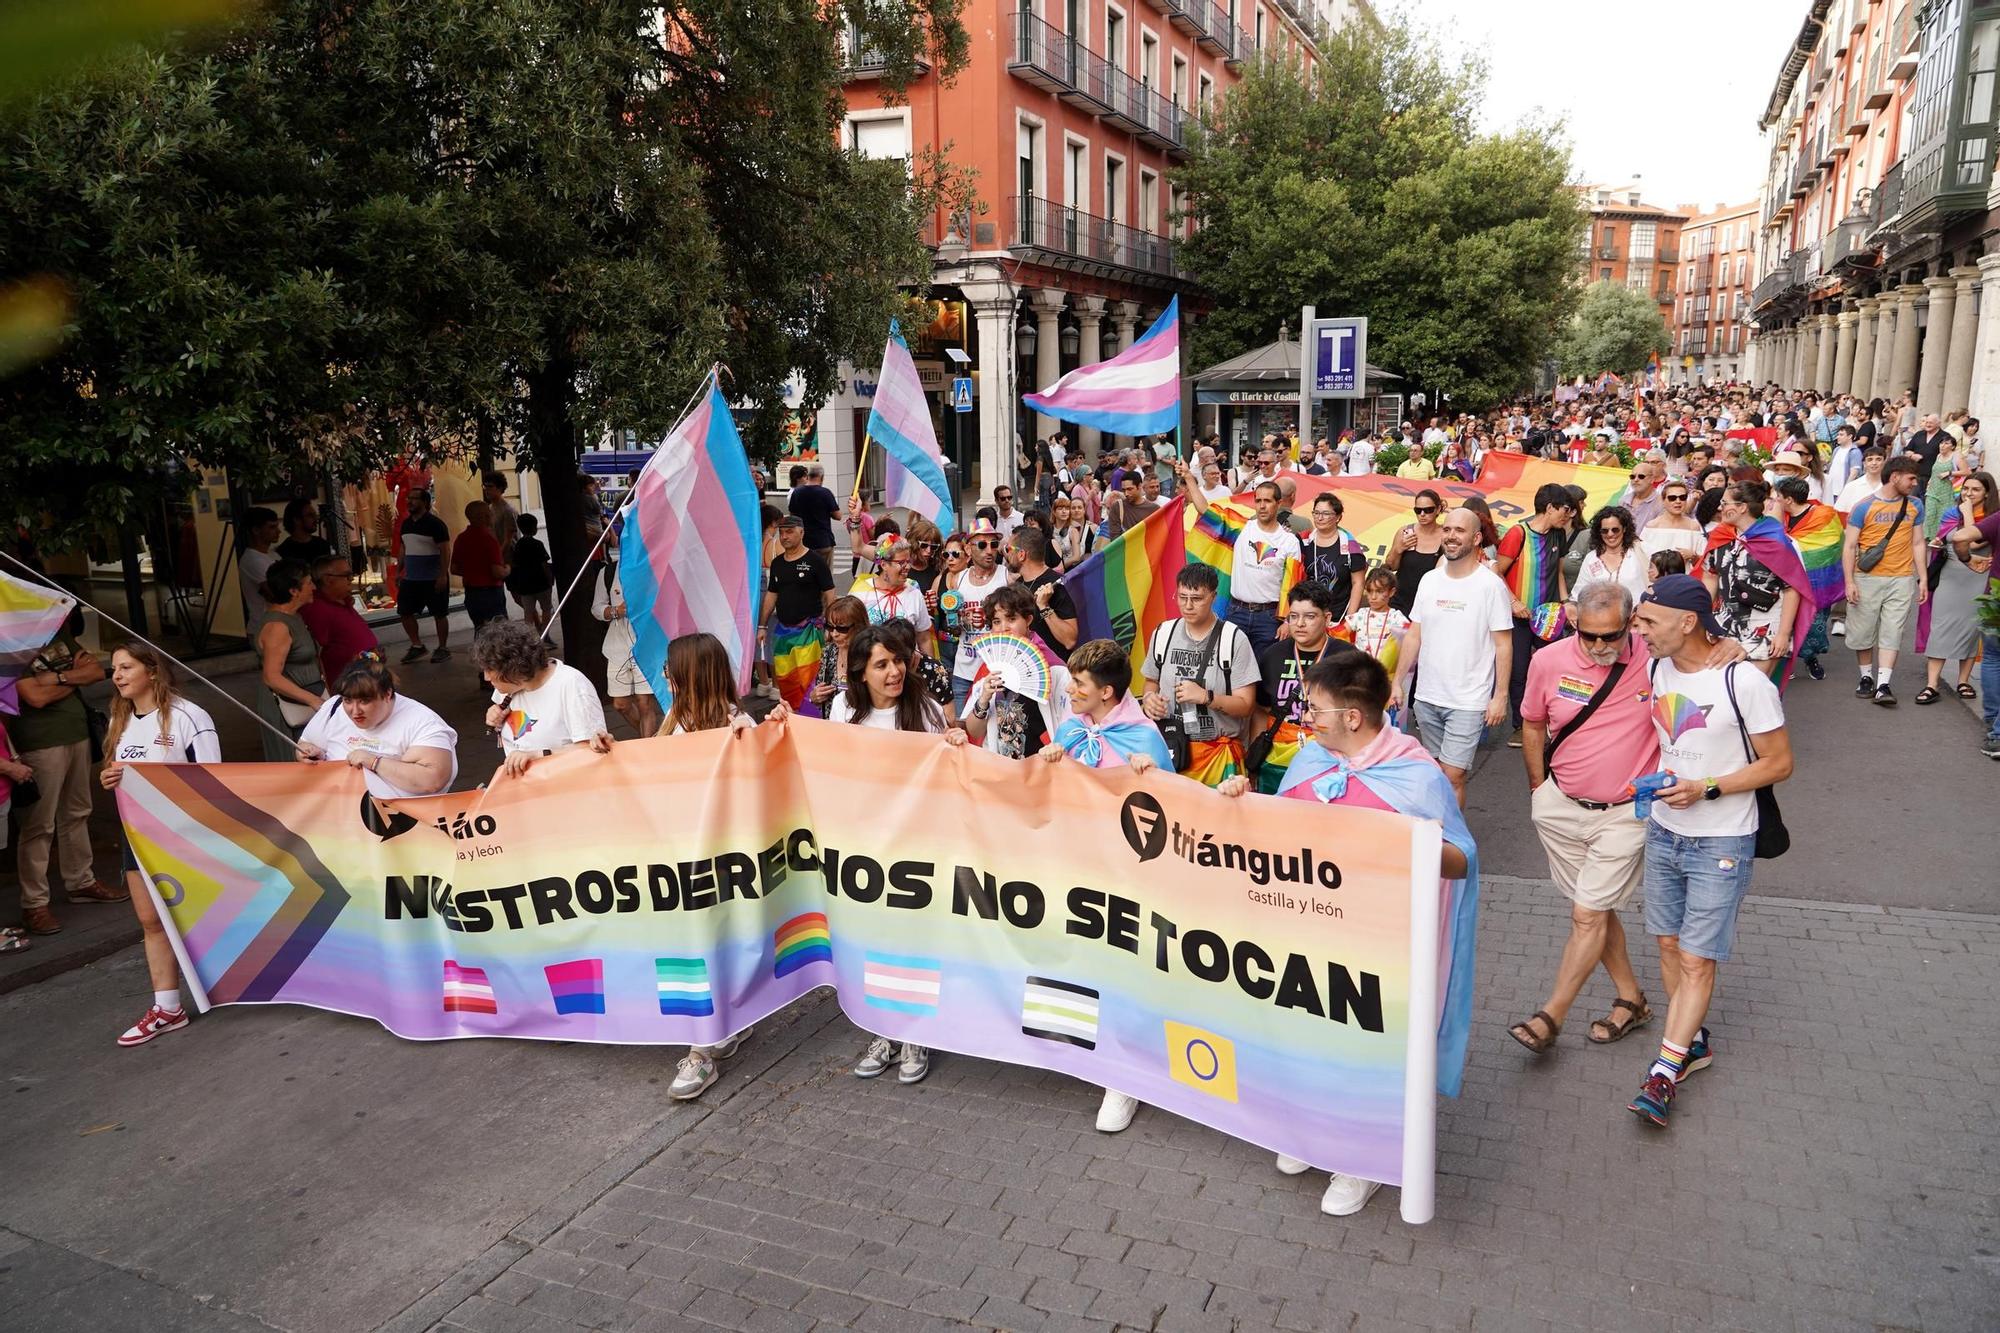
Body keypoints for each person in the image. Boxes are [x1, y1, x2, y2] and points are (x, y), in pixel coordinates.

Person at [1219, 652, 1476, 1216]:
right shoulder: (1312, 758)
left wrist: (1410, 843)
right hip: (1310, 936)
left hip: (1381, 948)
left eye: (1314, 707)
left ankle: (1360, 1162)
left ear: (1353, 717)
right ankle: (1311, 1133)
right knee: (1311, 1037)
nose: (1305, 716)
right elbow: (1277, 832)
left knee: (1368, 1049)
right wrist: (1243, 803)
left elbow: (1460, 860)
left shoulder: (1416, 776)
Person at [1510, 583, 1735, 1057]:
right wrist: (1539, 787)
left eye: (1610, 635)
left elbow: (1706, 653)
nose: (1598, 646)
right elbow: (1532, 722)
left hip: (1624, 815)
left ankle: (1551, 1015)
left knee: (1587, 912)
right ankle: (1631, 999)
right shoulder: (1548, 661)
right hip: (1560, 808)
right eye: (1588, 635)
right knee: (1596, 908)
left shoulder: (1656, 662)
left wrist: (1731, 645)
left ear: (1632, 623)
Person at [1626, 575, 1794, 1129]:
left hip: (1722, 836)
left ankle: (1665, 1071)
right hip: (1664, 828)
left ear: (1687, 622)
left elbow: (1779, 763)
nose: (1638, 629)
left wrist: (1708, 787)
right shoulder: (1655, 666)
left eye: (1649, 621)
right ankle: (1691, 1041)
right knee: (1670, 945)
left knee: (1697, 956)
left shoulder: (1743, 682)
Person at [832, 622, 968, 1086]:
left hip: (916, 847)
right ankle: (882, 1030)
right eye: (881, 664)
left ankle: (916, 1033)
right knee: (875, 942)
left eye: (897, 662)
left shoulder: (925, 708)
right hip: (865, 849)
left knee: (914, 940)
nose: (893, 672)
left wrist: (954, 741)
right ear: (861, 672)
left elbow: (949, 770)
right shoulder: (843, 709)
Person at [650, 632, 760, 1097]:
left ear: (690, 675)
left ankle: (700, 1054)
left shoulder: (741, 727)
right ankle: (724, 1027)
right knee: (695, 948)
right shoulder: (675, 720)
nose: (663, 676)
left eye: (670, 669)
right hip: (680, 856)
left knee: (703, 948)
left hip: (721, 860)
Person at [96, 644, 222, 1045]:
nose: (116, 675)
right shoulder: (119, 718)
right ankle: (168, 1007)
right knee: (151, 921)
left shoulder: (189, 716)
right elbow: (116, 771)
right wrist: (108, 779)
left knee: (205, 915)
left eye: (126, 666)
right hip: (136, 832)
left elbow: (214, 779)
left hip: (182, 832)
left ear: (152, 670)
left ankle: (244, 983)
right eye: (113, 669)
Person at [1392, 508, 1512, 807]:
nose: (1450, 536)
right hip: (1428, 696)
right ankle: (1433, 834)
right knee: (1434, 773)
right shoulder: (1430, 580)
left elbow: (1503, 645)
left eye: (1459, 531)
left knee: (1453, 775)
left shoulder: (1490, 585)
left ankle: (1452, 841)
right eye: (1447, 530)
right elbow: (1414, 635)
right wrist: (1397, 683)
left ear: (1476, 538)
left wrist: (1500, 697)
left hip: (1468, 701)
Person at [11, 622, 120, 936]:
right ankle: (34, 903)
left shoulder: (56, 634)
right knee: (38, 824)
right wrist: (73, 678)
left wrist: (55, 678)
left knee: (77, 812)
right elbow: (34, 697)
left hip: (76, 733)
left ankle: (81, 882)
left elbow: (96, 672)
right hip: (39, 741)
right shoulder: (10, 643)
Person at [1141, 563, 1261, 787]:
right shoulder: (1163, 633)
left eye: (1197, 598)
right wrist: (1149, 701)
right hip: (1171, 751)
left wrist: (1207, 697)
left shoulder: (1233, 639)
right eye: (1182, 597)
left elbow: (1246, 706)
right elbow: (1150, 682)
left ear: (1214, 596)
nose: (1188, 606)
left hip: (1217, 757)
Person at [295, 651, 458, 802]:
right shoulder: (334, 707)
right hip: (340, 816)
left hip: (403, 824)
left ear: (387, 694)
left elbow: (433, 779)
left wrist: (374, 762)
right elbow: (304, 744)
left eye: (365, 701)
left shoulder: (422, 721)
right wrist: (308, 752)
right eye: (348, 700)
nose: (355, 711)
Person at [1249, 582, 1359, 794]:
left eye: (1309, 616)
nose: (1299, 624)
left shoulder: (1348, 658)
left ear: (1327, 619)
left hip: (1328, 760)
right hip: (1276, 760)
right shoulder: (1272, 655)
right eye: (1293, 616)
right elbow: (1261, 711)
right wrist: (1255, 761)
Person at [475, 619, 614, 777]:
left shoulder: (571, 685)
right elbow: (503, 716)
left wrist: (538, 755)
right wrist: (494, 717)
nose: (486, 677)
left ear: (515, 669)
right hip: (525, 787)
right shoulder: (506, 687)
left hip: (565, 786)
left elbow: (591, 751)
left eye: (490, 669)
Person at [1842, 456, 1928, 705]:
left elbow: (1918, 542)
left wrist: (1922, 578)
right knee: (1863, 631)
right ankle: (1866, 677)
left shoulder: (1915, 506)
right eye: (1911, 478)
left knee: (1893, 631)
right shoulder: (1863, 506)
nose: (1914, 483)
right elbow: (1849, 547)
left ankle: (1883, 684)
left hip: (1901, 578)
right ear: (1895, 477)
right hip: (1866, 577)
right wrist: (1849, 582)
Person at [1493, 484, 1575, 744]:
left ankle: (1553, 722)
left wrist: (1566, 602)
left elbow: (1559, 573)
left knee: (1553, 670)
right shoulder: (1518, 533)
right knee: (1519, 672)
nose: (1568, 515)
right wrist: (1514, 602)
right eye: (1565, 509)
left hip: (1549, 617)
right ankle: (1521, 725)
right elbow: (1496, 573)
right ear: (1549, 507)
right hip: (1517, 618)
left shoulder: (1558, 535)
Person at [962, 585, 1070, 758]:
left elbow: (1072, 723)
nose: (1003, 627)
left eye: (1011, 619)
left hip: (1043, 765)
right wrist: (983, 699)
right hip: (1001, 769)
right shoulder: (988, 668)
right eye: (996, 622)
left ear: (1028, 620)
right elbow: (974, 732)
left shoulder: (1054, 669)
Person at [1916, 470, 1995, 705]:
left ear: (1987, 493)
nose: (1969, 494)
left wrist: (1968, 513)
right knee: (1940, 626)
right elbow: (1947, 535)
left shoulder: (1993, 516)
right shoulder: (1952, 512)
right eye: (1966, 489)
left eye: (1976, 490)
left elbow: (1973, 540)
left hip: (1979, 578)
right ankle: (1932, 684)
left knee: (1972, 629)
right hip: (1950, 577)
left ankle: (1963, 681)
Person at [759, 513, 835, 714]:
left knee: (809, 680)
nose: (784, 537)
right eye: (782, 532)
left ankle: (812, 720)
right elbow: (771, 596)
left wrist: (830, 625)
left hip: (809, 632)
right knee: (786, 680)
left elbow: (830, 594)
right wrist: (762, 626)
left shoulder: (815, 560)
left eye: (790, 532)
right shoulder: (777, 564)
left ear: (801, 532)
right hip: (783, 633)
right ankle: (792, 718)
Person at [593, 518, 660, 736]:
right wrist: (615, 611)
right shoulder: (608, 573)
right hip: (617, 647)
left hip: (645, 645)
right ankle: (652, 739)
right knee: (620, 704)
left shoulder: (652, 572)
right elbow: (596, 608)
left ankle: (647, 749)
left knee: (645, 703)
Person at [255, 559, 326, 762]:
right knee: (296, 760)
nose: (314, 587)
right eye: (309, 582)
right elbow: (271, 677)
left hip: (305, 700)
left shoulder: (293, 617)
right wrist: (313, 700)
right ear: (294, 590)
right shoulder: (278, 625)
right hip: (286, 707)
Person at [1226, 481, 1301, 659]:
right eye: (1258, 500)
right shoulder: (1242, 528)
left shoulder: (1290, 541)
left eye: (1267, 501)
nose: (1262, 506)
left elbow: (1292, 585)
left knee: (1265, 673)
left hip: (1270, 618)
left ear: (1279, 503)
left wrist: (1287, 620)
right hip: (1236, 612)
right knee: (1230, 671)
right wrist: (1189, 478)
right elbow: (1205, 510)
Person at [946, 519, 1013, 712]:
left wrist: (990, 621)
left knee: (992, 730)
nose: (990, 551)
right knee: (961, 729)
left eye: (994, 544)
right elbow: (952, 628)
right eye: (982, 545)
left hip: (996, 671)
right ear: (968, 549)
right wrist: (961, 621)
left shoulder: (1006, 577)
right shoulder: (957, 580)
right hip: (963, 671)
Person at [299, 556, 381, 686]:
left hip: (368, 675)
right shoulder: (317, 607)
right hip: (350, 682)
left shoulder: (342, 601)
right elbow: (319, 650)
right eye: (347, 576)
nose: (351, 580)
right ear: (328, 580)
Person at [395, 489, 453, 664]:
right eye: (409, 498)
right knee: (404, 612)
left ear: (425, 502)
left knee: (439, 613)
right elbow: (403, 548)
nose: (410, 501)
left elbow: (445, 549)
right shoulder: (405, 524)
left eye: (414, 499)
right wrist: (399, 570)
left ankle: (442, 648)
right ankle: (417, 645)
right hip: (411, 578)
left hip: (432, 577)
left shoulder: (435, 524)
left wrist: (442, 574)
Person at [1005, 525, 1078, 655]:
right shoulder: (1017, 585)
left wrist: (1044, 607)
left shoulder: (1058, 585)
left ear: (1021, 554)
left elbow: (1070, 641)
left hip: (1053, 670)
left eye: (1008, 549)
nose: (1006, 554)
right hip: (1025, 667)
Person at [1300, 492, 1367, 621]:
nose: (1320, 518)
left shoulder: (1350, 546)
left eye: (1326, 514)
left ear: (1338, 517)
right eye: (1316, 513)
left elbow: (1358, 583)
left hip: (1338, 617)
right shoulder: (1303, 541)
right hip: (1307, 616)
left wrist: (1349, 618)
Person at [451, 500, 511, 634]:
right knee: (499, 634)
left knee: (481, 631)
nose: (492, 515)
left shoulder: (461, 538)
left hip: (472, 593)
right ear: (484, 517)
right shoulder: (489, 540)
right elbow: (497, 572)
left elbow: (454, 568)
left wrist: (472, 572)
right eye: (489, 513)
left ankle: (481, 654)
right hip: (490, 593)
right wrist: (507, 569)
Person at [1384, 489, 1445, 617]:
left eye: (1428, 510)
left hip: (1430, 603)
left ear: (1438, 509)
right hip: (1400, 602)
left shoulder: (1445, 535)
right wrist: (1398, 549)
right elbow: (1391, 565)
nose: (1422, 514)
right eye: (1418, 510)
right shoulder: (1406, 532)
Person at [804, 594, 866, 719]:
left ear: (859, 626)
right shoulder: (828, 652)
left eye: (842, 629)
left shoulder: (871, 655)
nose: (834, 634)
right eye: (830, 627)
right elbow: (817, 693)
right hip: (832, 727)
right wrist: (814, 697)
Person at [1574, 505, 1647, 605]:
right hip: (1599, 617)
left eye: (1615, 529)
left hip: (1635, 617)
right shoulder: (1591, 558)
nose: (1610, 534)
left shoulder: (1640, 551)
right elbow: (1579, 594)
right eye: (1604, 531)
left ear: (1624, 529)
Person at [788, 463, 844, 569]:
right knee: (825, 576)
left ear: (808, 476)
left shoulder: (797, 493)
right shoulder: (825, 493)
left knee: (807, 575)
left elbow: (792, 516)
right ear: (821, 477)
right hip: (823, 541)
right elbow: (838, 516)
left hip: (804, 541)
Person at [505, 513, 554, 633]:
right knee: (547, 609)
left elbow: (515, 564)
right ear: (534, 528)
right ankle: (544, 633)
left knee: (528, 611)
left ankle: (529, 636)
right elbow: (544, 564)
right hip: (541, 583)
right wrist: (550, 579)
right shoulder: (537, 544)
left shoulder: (518, 546)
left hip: (525, 585)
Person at [1638, 478, 1705, 566]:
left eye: (1682, 497)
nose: (1678, 501)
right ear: (1663, 500)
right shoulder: (1652, 526)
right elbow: (1641, 559)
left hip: (1685, 577)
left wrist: (1693, 556)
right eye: (1672, 498)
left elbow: (1704, 561)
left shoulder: (1694, 526)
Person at [238, 506, 282, 623]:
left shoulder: (273, 555)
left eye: (276, 526)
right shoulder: (253, 559)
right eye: (272, 527)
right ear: (256, 530)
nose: (278, 531)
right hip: (264, 624)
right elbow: (275, 594)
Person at [277, 498, 334, 566]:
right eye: (310, 515)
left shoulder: (322, 544)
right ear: (296, 519)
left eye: (315, 515)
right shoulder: (284, 551)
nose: (315, 519)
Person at [481, 472, 520, 559]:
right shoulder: (490, 508)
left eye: (490, 486)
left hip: (508, 560)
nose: (486, 490)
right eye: (485, 486)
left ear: (500, 488)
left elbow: (509, 540)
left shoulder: (508, 510)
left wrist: (497, 557)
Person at [1625, 458, 1666, 532]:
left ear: (1652, 479)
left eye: (1641, 476)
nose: (1636, 480)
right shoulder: (1623, 501)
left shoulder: (1661, 503)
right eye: (1632, 477)